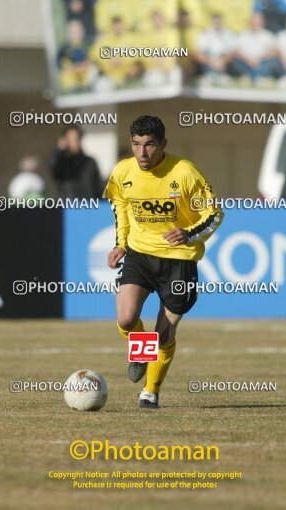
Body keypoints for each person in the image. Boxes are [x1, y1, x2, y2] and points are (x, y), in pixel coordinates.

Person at [103, 115, 224, 409]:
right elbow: (119, 203)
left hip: (178, 261)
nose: (142, 153)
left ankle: (150, 391)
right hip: (140, 254)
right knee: (126, 319)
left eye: (149, 145)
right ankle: (139, 352)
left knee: (163, 333)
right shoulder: (122, 172)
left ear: (163, 145)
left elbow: (214, 214)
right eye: (136, 144)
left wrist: (189, 233)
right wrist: (121, 242)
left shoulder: (184, 173)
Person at [49, 125, 103, 199]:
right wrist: (60, 150)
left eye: (77, 138)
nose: (76, 142)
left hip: (88, 206)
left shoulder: (89, 162)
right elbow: (53, 167)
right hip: (66, 206)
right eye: (72, 139)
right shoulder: (60, 161)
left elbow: (98, 187)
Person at [233, 13, 279, 84]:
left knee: (272, 61)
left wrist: (259, 58)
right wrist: (248, 60)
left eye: (258, 22)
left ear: (262, 23)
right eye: (254, 21)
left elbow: (274, 51)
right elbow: (236, 51)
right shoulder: (243, 34)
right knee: (236, 61)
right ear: (250, 22)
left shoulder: (268, 35)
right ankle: (258, 78)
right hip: (246, 62)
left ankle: (251, 77)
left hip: (262, 62)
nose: (256, 24)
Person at [194, 13, 236, 85]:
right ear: (212, 22)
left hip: (223, 61)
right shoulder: (206, 33)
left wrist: (222, 61)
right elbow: (197, 52)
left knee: (229, 56)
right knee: (203, 55)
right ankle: (209, 76)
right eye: (216, 21)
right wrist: (211, 61)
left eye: (219, 21)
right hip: (210, 59)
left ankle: (220, 75)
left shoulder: (228, 34)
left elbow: (234, 51)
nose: (218, 23)